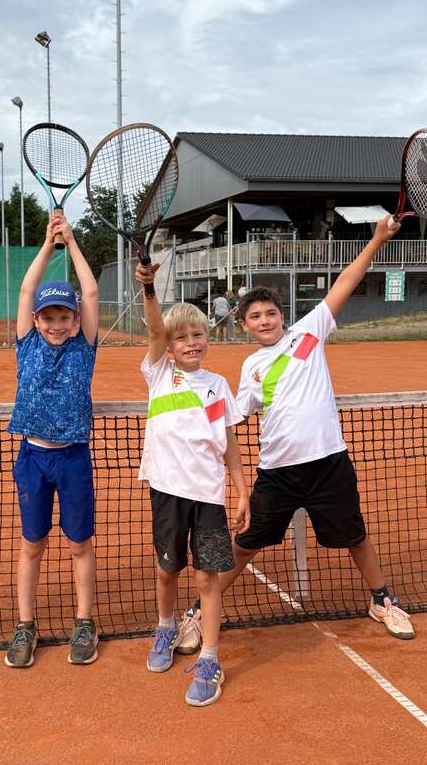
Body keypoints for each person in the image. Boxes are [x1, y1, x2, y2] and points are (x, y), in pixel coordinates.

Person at [177, 215, 416, 651]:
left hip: (328, 463)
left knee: (355, 535)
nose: (264, 320)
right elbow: (235, 413)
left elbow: (346, 280)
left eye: (270, 313)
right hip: (278, 473)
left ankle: (382, 599)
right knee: (246, 543)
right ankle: (199, 610)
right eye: (255, 316)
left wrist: (378, 239)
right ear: (244, 325)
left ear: (282, 316)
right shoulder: (251, 367)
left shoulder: (310, 332)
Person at [135, 262, 249, 707]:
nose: (190, 343)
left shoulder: (218, 385)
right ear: (169, 345)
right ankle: (165, 627)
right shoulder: (159, 372)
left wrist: (241, 490)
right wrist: (149, 289)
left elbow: (229, 443)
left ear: (208, 337)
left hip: (208, 497)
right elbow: (153, 329)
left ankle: (209, 658)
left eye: (197, 335)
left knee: (207, 579)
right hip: (167, 491)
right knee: (167, 570)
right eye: (180, 338)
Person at [5, 213, 99, 668]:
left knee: (80, 545)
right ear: (36, 320)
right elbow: (27, 290)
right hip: (32, 459)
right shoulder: (26, 343)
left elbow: (91, 292)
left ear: (76, 320)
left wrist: (73, 242)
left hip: (74, 459)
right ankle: (26, 625)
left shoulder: (84, 346)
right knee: (32, 544)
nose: (56, 324)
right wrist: (47, 244)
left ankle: (85, 622)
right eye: (48, 317)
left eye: (64, 316)